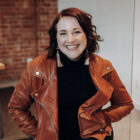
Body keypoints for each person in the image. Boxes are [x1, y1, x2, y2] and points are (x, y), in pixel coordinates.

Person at [8, 8, 134, 140]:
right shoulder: (36, 68)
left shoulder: (104, 67)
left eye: (77, 32)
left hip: (95, 137)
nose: (71, 39)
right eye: (63, 33)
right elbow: (16, 107)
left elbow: (125, 104)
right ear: (56, 38)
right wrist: (39, 133)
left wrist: (102, 118)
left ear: (87, 34)